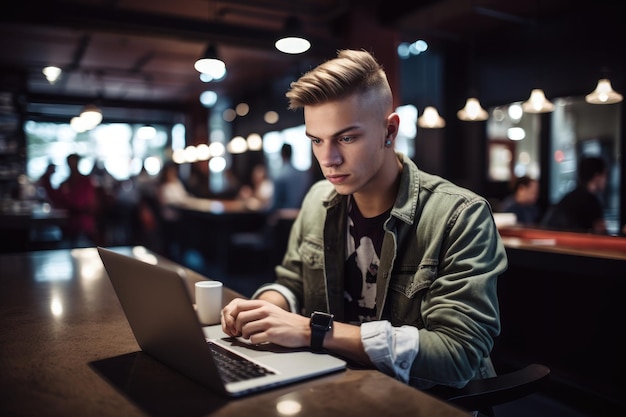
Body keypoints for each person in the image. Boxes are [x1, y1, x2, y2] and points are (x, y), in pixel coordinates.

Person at [221, 49, 508, 390]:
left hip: (425, 401)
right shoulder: (317, 201)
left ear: (389, 130)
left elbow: (458, 354)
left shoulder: (460, 216)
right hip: (336, 386)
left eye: (347, 137)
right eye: (316, 140)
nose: (328, 159)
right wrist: (265, 311)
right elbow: (295, 281)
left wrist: (313, 331)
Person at [541, 155, 608, 234]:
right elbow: (600, 233)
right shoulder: (592, 202)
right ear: (596, 176)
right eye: (604, 174)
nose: (606, 180)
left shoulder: (568, 198)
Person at [271, 143, 310, 210]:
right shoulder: (304, 175)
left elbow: (275, 203)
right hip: (302, 213)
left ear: (282, 154)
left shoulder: (280, 175)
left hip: (284, 215)